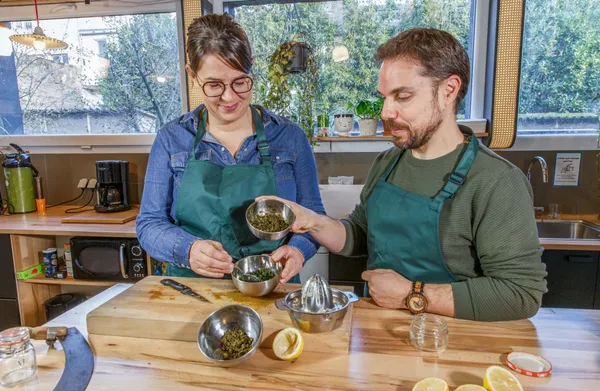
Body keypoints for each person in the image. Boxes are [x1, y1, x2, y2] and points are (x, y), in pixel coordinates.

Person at [260, 28, 547, 322]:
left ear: (449, 90)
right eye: (384, 97)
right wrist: (310, 221)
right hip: (381, 338)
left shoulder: (496, 181)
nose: (386, 112)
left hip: (450, 343)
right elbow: (360, 234)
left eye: (403, 96)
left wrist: (413, 294)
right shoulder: (388, 162)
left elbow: (521, 293)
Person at [137, 14, 325, 284]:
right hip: (193, 288)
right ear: (192, 75)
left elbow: (314, 217)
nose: (229, 97)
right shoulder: (172, 139)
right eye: (214, 85)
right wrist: (187, 250)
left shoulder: (289, 137)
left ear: (251, 71)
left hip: (272, 286)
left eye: (240, 82)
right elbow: (149, 225)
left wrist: (298, 249)